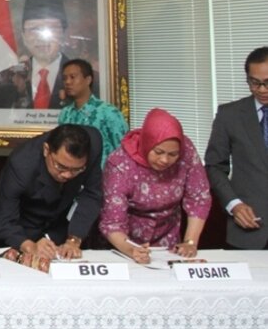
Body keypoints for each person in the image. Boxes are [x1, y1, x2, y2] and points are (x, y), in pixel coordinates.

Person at [100, 108, 211, 264]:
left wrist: (190, 242)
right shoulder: (119, 163)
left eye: (173, 154)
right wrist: (132, 250)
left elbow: (199, 198)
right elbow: (113, 222)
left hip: (169, 240)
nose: (165, 160)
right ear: (147, 143)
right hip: (124, 242)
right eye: (158, 152)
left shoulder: (186, 150)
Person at [0, 124, 103, 260]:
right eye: (60, 167)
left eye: (76, 169)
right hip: (23, 229)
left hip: (61, 225)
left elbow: (91, 194)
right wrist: (29, 245)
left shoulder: (94, 144)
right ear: (46, 150)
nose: (67, 175)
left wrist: (74, 239)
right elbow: (3, 219)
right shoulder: (21, 164)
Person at [204, 46, 268, 249]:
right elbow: (214, 166)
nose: (261, 89)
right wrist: (234, 205)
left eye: (267, 83)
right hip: (250, 229)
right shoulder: (229, 115)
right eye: (254, 82)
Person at [0, 0, 79, 109]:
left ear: (63, 34)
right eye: (34, 29)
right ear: (24, 36)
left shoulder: (86, 79)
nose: (41, 39)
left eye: (51, 29)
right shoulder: (5, 79)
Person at [56, 58, 126, 166]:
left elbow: (123, 150)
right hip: (72, 172)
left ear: (88, 80)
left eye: (73, 77)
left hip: (104, 174)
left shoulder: (108, 112)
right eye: (65, 78)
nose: (68, 82)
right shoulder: (65, 113)